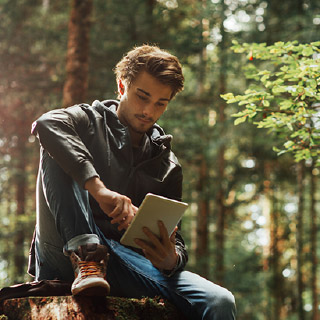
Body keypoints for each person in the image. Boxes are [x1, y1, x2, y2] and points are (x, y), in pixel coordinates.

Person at [28, 45, 236, 319]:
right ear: (122, 85)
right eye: (142, 96)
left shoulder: (168, 164)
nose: (148, 111)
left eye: (161, 103)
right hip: (62, 248)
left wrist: (170, 259)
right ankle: (87, 255)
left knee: (221, 300)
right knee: (57, 142)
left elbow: (177, 239)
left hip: (124, 262)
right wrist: (99, 190)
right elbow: (46, 123)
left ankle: (97, 262)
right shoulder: (89, 121)